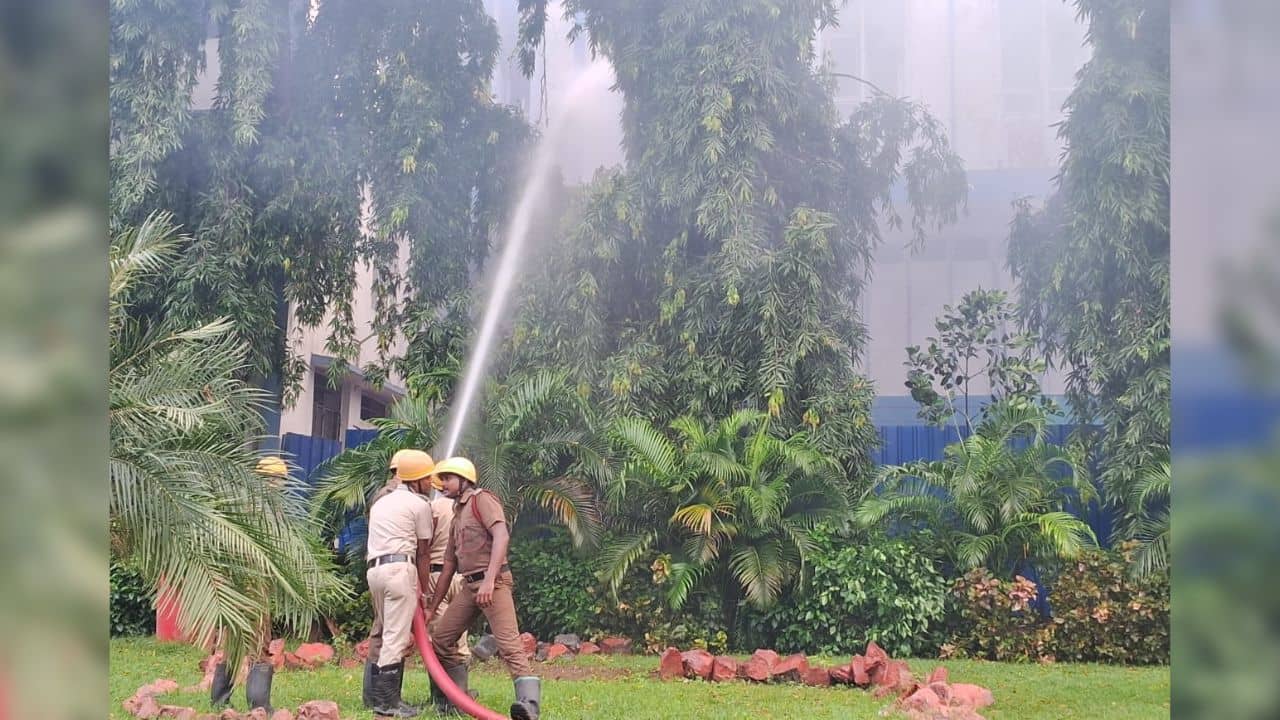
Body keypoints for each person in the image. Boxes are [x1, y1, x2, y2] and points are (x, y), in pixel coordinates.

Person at [424, 457, 540, 720]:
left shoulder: (482, 500)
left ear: (465, 480)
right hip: (470, 585)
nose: (443, 484)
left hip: (494, 583)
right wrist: (432, 608)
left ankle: (529, 706)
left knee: (510, 645)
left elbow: (501, 535)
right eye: (442, 479)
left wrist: (489, 579)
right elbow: (449, 565)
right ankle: (457, 699)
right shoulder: (457, 514)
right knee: (441, 639)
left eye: (448, 478)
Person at [210, 455, 290, 713]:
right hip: (254, 584)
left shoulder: (239, 502)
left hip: (232, 583)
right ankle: (259, 703)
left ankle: (219, 700)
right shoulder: (268, 510)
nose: (280, 485)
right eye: (278, 480)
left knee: (231, 642)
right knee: (258, 644)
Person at [366, 449, 436, 718]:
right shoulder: (419, 505)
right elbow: (424, 552)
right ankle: (387, 704)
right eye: (427, 478)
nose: (431, 482)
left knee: (387, 633)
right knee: (396, 638)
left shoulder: (381, 502)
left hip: (375, 571)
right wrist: (424, 591)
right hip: (399, 570)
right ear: (416, 479)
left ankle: (384, 699)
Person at [424, 468, 472, 713]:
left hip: (437, 576)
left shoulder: (432, 508)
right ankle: (461, 695)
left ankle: (443, 699)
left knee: (438, 638)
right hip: (463, 576)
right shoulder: (465, 508)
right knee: (459, 637)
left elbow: (423, 546)